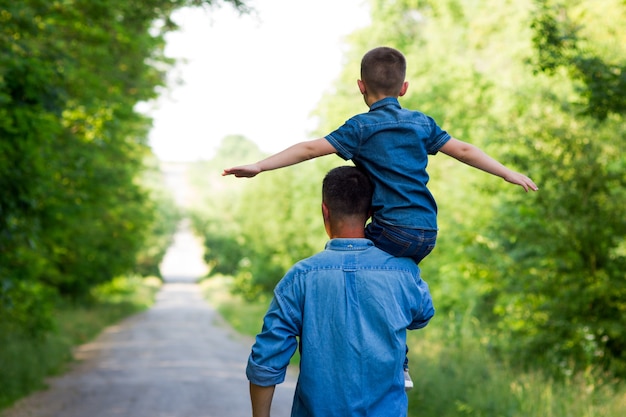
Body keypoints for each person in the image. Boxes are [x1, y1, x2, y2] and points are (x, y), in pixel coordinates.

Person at [226, 46, 538, 386]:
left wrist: (260, 165)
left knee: (350, 258)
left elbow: (310, 148)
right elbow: (463, 150)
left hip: (391, 231)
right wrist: (507, 173)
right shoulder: (421, 123)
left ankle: (394, 360)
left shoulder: (361, 128)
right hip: (426, 232)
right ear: (404, 88)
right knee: (394, 280)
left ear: (361, 87)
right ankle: (401, 341)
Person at [246, 166, 435, 417]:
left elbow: (266, 360)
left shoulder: (300, 277)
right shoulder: (404, 272)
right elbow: (422, 316)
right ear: (370, 212)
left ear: (325, 210)